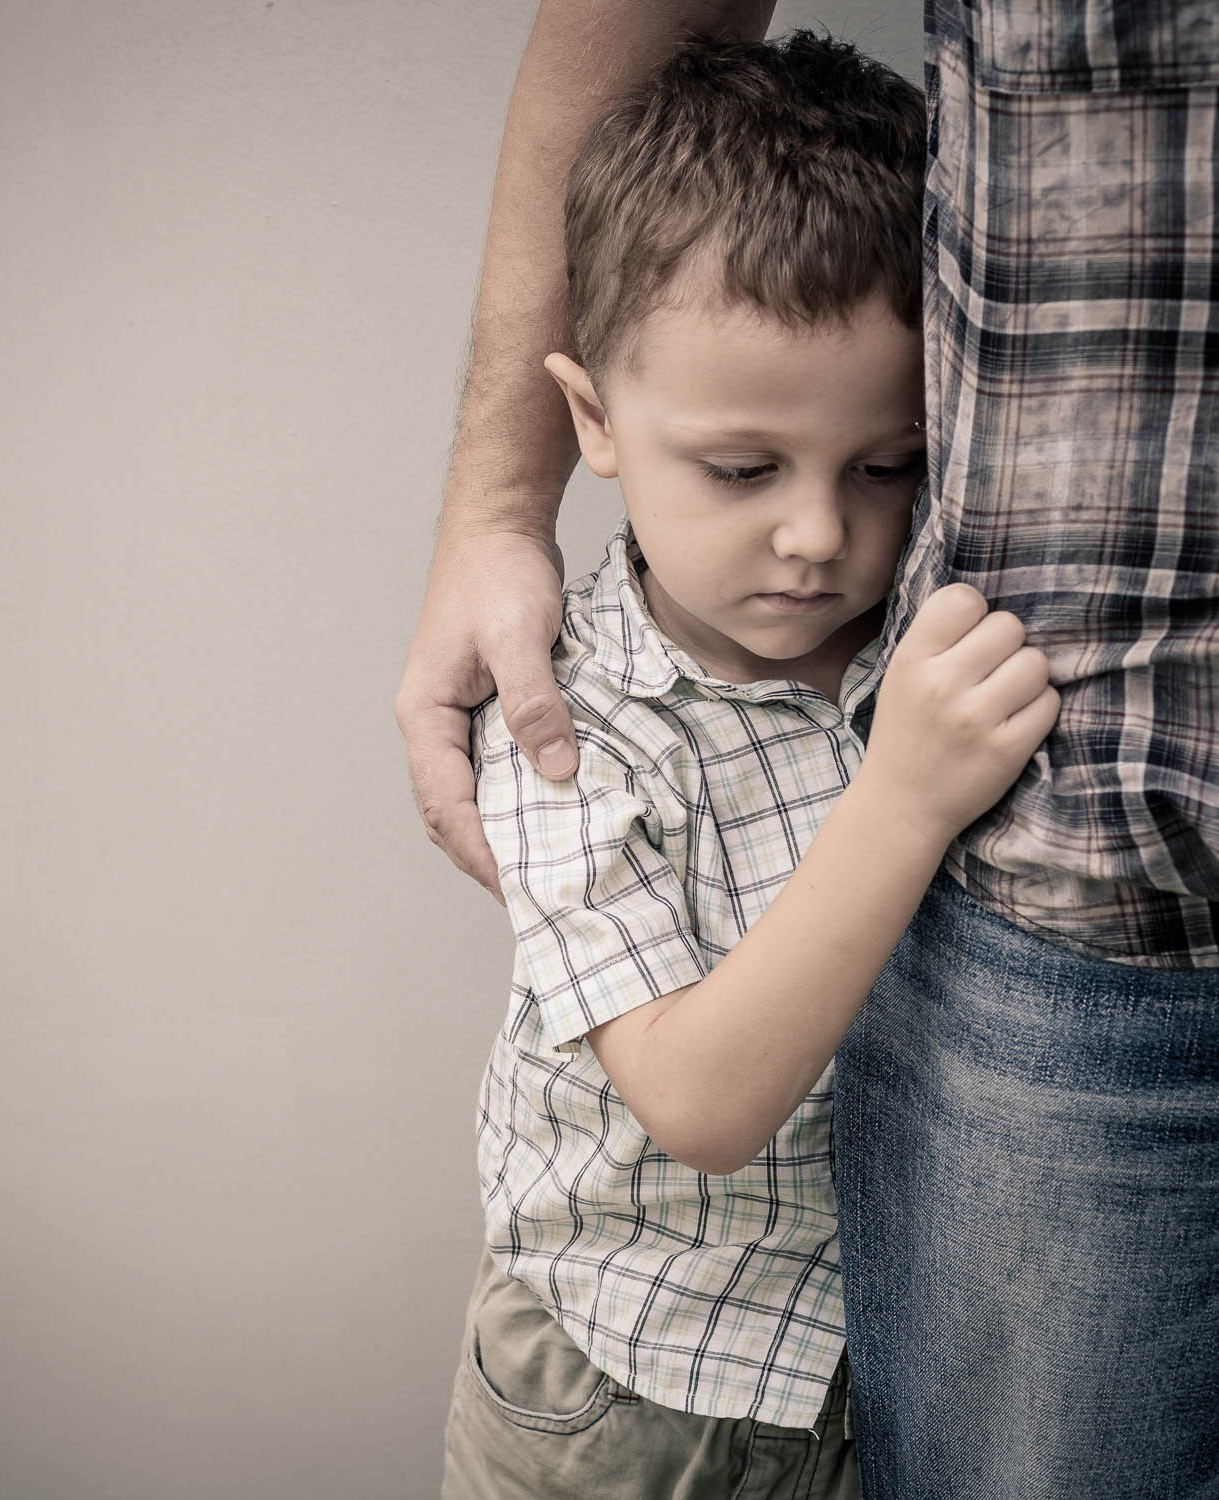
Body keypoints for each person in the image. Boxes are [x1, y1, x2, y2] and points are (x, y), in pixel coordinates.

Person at [403, 3, 1219, 1497]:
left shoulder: (895, 641)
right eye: (741, 468)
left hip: (869, 1377)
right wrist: (902, 798)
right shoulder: (564, 732)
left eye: (885, 465)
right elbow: (703, 1105)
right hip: (635, 1411)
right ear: (589, 414)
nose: (818, 535)